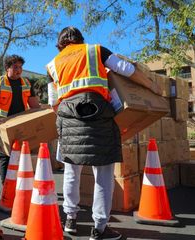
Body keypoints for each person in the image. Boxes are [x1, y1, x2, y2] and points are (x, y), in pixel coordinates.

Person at [46, 27, 161, 240]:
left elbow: (53, 103)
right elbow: (126, 69)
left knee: (71, 172)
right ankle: (99, 228)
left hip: (68, 120)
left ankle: (70, 219)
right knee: (103, 174)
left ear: (60, 43)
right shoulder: (95, 50)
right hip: (97, 116)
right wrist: (152, 86)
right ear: (80, 39)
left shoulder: (52, 64)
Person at [0, 54, 40, 185]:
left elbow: (35, 106)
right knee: (5, 156)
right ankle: (6, 188)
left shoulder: (26, 83)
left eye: (20, 67)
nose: (19, 70)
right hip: (3, 123)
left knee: (22, 154)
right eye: (15, 67)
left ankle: (22, 186)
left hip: (20, 123)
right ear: (7, 68)